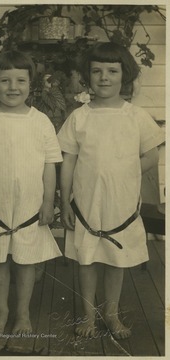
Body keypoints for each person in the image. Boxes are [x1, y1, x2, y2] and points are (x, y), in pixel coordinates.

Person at [57, 41, 165, 339]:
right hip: (87, 202)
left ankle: (111, 314)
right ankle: (88, 317)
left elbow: (152, 155)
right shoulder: (79, 116)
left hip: (121, 201)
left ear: (124, 75)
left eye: (112, 71)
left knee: (115, 260)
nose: (104, 77)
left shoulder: (136, 116)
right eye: (97, 71)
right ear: (87, 77)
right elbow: (68, 160)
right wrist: (64, 200)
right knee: (87, 258)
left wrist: (125, 170)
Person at [0, 50, 63, 335]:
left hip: (30, 205)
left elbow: (49, 165)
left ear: (31, 84)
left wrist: (47, 203)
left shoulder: (40, 120)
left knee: (26, 260)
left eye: (20, 80)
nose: (13, 87)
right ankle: (2, 311)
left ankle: (22, 314)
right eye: (5, 80)